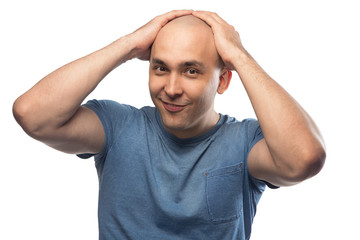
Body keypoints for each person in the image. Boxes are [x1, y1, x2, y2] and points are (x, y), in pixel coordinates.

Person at [13, 10, 326, 240]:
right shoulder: (118, 126)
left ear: (223, 80)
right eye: (161, 68)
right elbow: (31, 114)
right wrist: (128, 44)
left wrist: (240, 57)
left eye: (191, 71)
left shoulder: (246, 142)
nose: (172, 88)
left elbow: (304, 158)